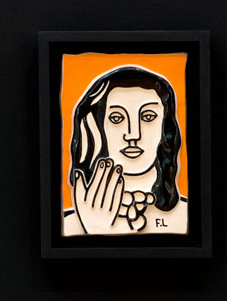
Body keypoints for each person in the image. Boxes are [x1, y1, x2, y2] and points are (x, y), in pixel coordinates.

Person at [63, 65, 188, 236]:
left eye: (148, 117)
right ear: (95, 128)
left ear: (164, 128)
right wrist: (96, 230)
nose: (133, 134)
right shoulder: (68, 226)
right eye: (117, 118)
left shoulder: (186, 219)